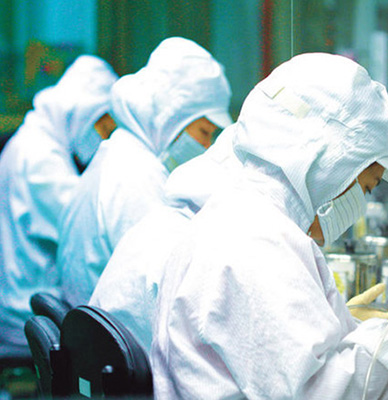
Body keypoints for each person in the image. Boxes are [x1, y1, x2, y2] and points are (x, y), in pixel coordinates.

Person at [152, 53, 388, 399]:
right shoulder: (257, 241)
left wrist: (347, 323)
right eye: (365, 187)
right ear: (332, 163)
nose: (360, 206)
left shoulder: (242, 216)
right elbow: (319, 392)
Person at [56, 37, 233, 307]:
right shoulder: (137, 178)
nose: (207, 145)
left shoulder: (121, 154)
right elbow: (168, 288)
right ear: (171, 119)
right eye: (204, 132)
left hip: (90, 321)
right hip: (110, 328)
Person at [0, 55, 117, 359]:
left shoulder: (37, 142)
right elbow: (82, 230)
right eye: (103, 126)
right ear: (80, 113)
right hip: (26, 317)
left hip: (25, 304)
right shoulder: (40, 158)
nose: (105, 137)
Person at [89, 128, 240, 353]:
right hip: (129, 365)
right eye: (204, 132)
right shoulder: (195, 248)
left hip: (100, 357)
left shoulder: (162, 219)